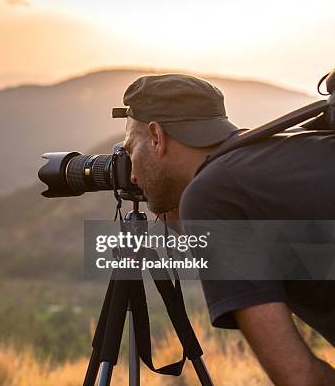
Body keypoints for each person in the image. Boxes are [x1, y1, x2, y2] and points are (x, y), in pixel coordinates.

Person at [119, 73, 335, 385]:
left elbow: (301, 378)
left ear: (156, 136)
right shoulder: (285, 150)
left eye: (130, 150)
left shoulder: (212, 195)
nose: (133, 176)